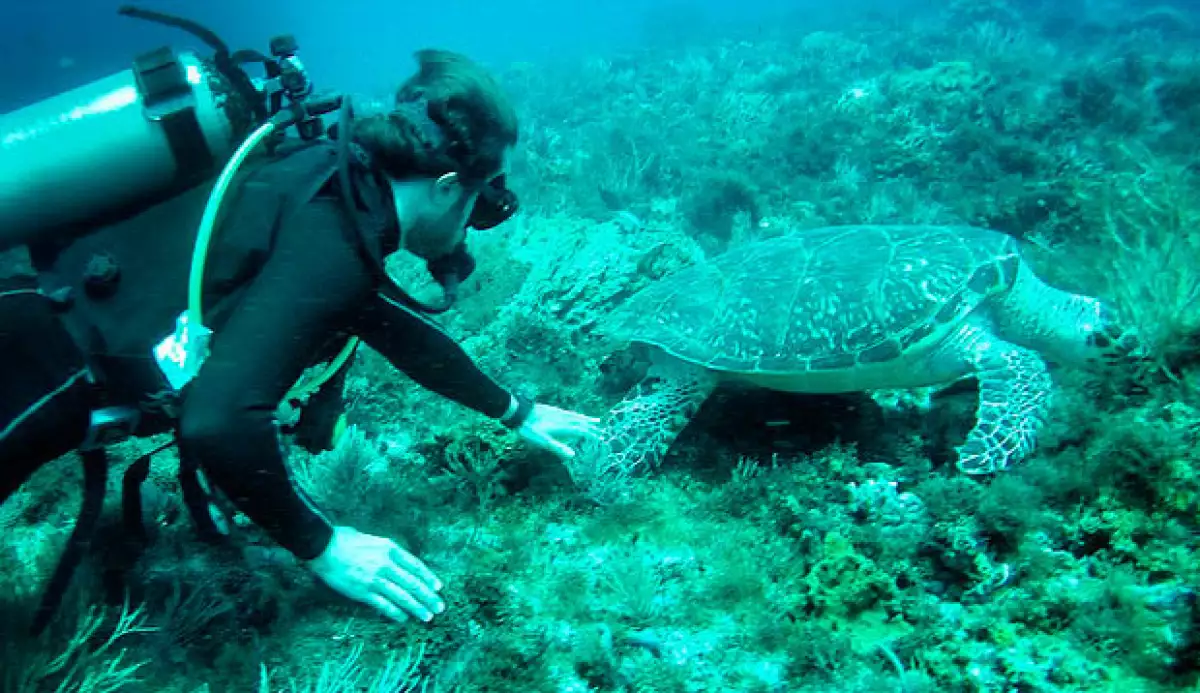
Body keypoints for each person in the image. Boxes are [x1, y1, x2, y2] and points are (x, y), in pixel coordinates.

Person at [0, 48, 600, 627]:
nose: (473, 223)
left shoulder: (321, 171)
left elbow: (394, 327)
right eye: (478, 201)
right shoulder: (340, 238)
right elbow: (218, 421)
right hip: (36, 373)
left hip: (32, 317)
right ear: (446, 187)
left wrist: (515, 410)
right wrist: (325, 546)